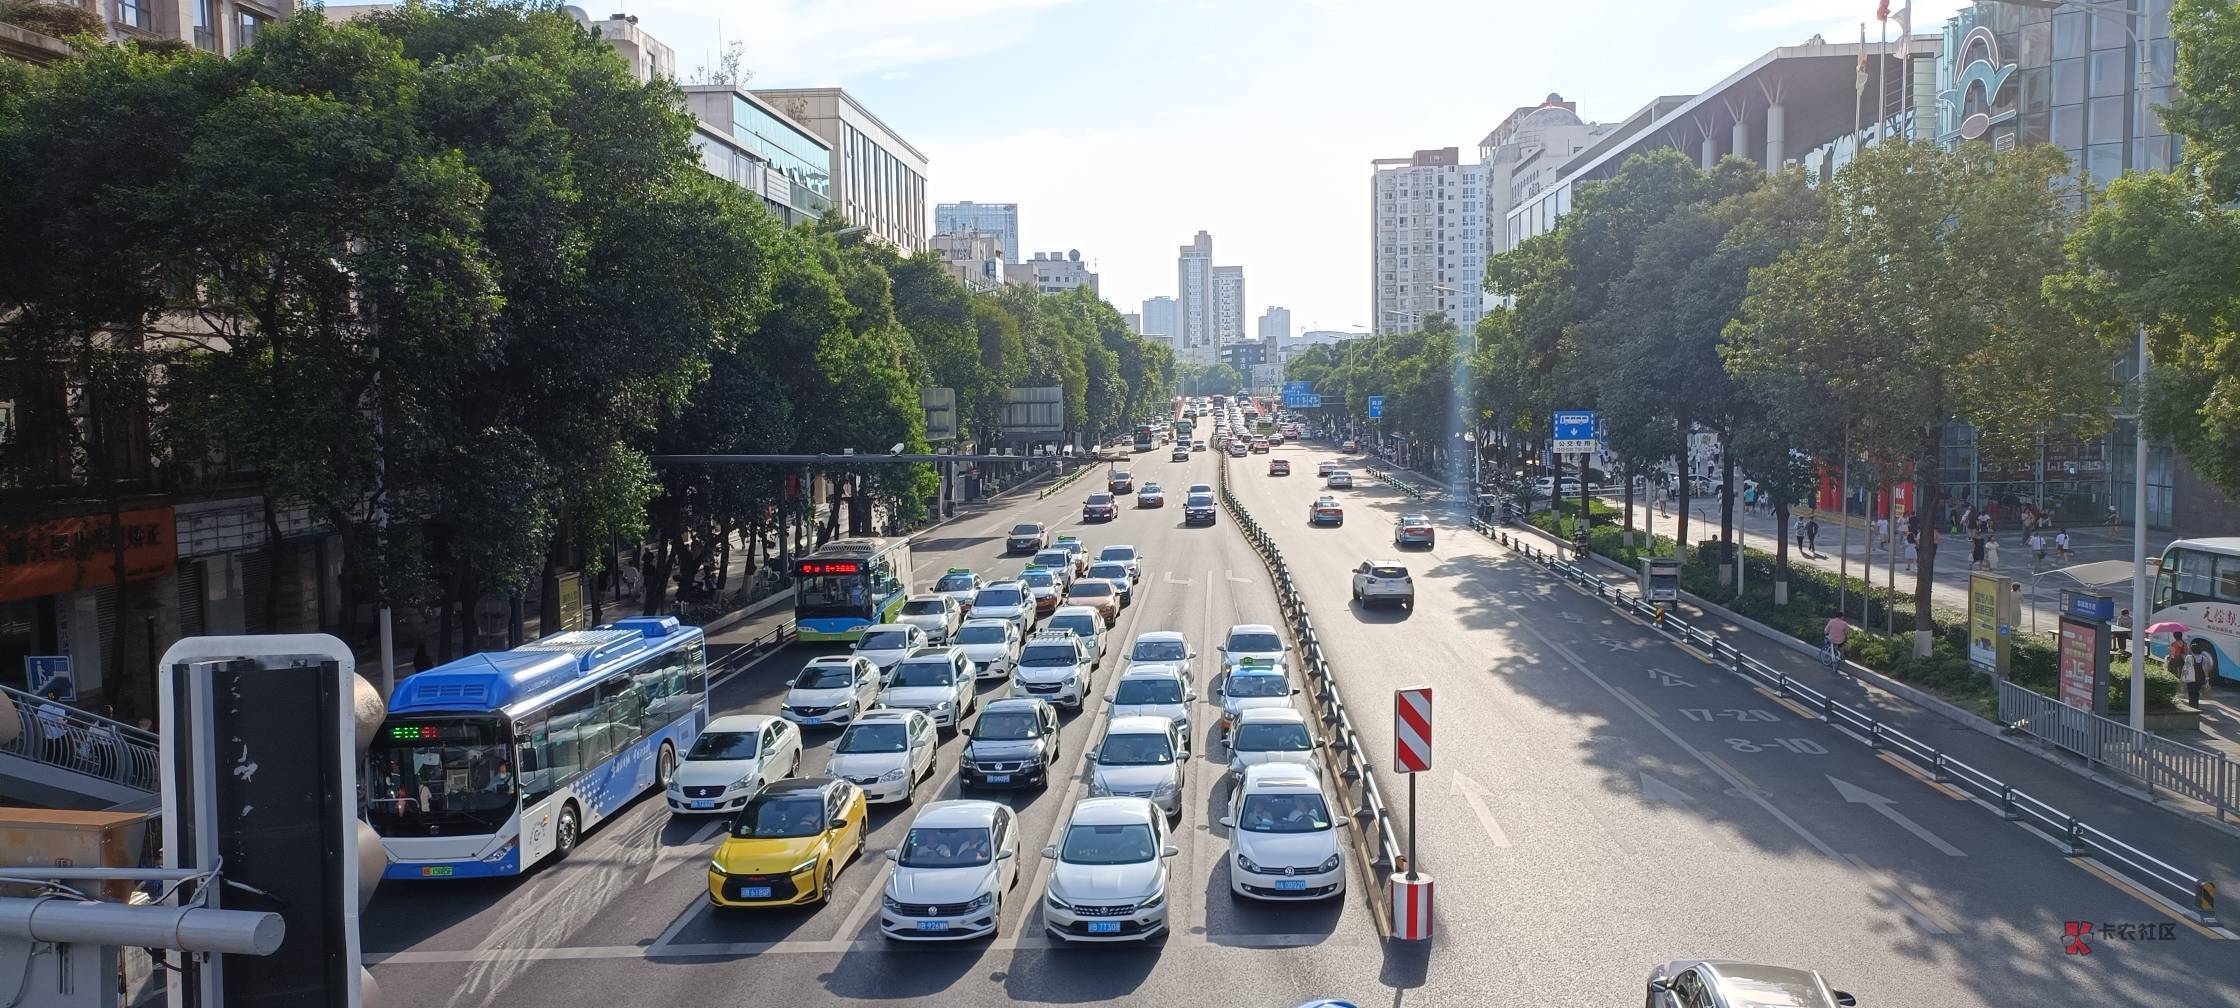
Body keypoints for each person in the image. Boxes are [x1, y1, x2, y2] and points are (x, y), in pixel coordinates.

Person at [34, 686, 69, 765]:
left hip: (48, 736)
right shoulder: (59, 708)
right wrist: (67, 720)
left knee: (50, 756)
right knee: (62, 757)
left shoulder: (41, 707)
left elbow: (38, 719)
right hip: (59, 736)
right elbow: (61, 723)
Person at [2174, 636, 2201, 709]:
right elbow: (2206, 668)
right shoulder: (2203, 657)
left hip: (2191, 678)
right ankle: (2196, 705)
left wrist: (2182, 676)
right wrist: (2207, 678)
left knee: (2191, 692)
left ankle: (2192, 706)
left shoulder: (2189, 657)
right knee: (2196, 692)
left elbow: (2185, 667)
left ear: (2191, 650)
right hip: (2200, 678)